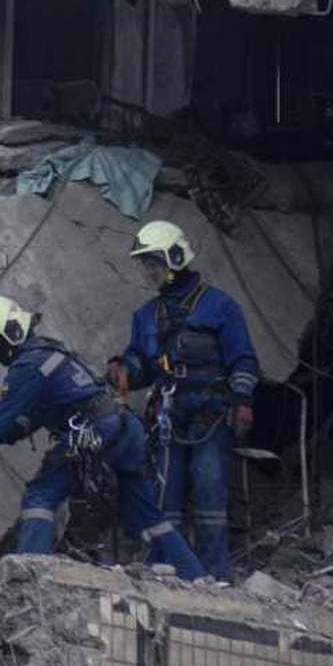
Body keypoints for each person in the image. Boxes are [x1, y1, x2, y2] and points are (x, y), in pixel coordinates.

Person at [0, 294, 203, 579]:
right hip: (124, 429)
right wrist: (11, 432)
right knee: (146, 511)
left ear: (12, 332)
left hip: (92, 432)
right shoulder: (50, 351)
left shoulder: (27, 366)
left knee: (40, 495)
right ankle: (195, 578)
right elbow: (35, 414)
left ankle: (29, 578)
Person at [109, 219, 258, 581]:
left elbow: (244, 358)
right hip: (168, 417)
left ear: (175, 258)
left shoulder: (220, 306)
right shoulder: (145, 316)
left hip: (211, 413)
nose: (149, 272)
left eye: (153, 263)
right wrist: (125, 370)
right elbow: (142, 365)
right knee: (164, 499)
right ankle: (168, 574)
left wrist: (242, 400)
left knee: (209, 492)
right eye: (146, 264)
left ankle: (215, 576)